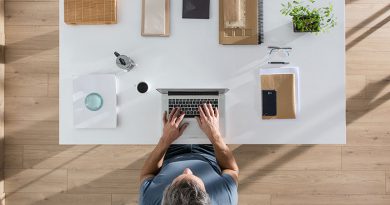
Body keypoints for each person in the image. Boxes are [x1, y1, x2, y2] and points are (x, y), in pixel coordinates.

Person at [139, 103, 239, 205]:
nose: (187, 170)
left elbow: (147, 174)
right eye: (193, 176)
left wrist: (165, 140)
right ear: (207, 195)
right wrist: (214, 135)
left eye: (175, 182)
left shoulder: (149, 201)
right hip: (211, 149)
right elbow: (231, 169)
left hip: (170, 150)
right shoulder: (225, 199)